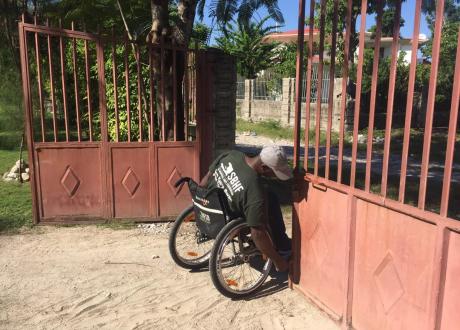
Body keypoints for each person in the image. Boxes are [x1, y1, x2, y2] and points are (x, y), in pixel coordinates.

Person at [200, 145, 293, 272]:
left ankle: (280, 240)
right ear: (264, 167)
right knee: (265, 202)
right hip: (228, 221)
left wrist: (202, 203)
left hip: (214, 208)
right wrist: (278, 261)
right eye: (275, 172)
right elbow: (257, 233)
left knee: (271, 197)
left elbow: (205, 179)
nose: (275, 176)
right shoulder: (255, 189)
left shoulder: (232, 154)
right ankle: (282, 246)